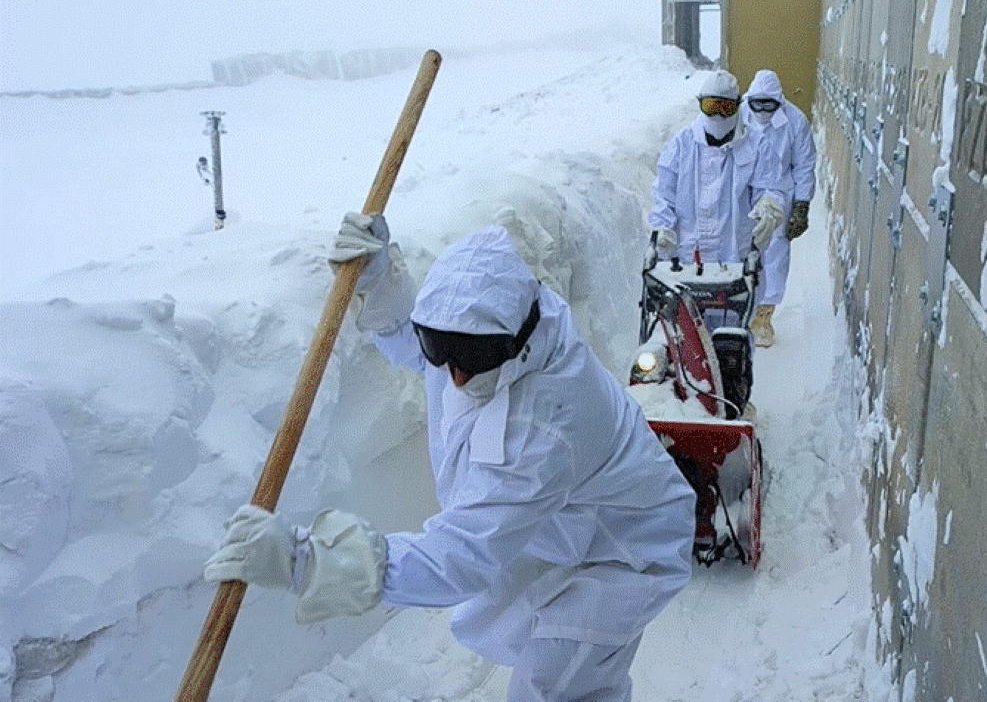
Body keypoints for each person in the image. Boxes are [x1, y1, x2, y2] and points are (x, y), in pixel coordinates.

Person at [205, 216, 696, 701]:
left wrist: (307, 560)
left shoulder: (547, 424)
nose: (455, 377)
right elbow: (432, 351)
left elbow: (461, 557)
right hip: (570, 530)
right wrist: (379, 283)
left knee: (552, 685)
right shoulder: (489, 343)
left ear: (517, 341)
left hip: (625, 553)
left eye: (469, 359)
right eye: (442, 348)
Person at [647, 69, 787, 269]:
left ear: (737, 107)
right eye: (711, 107)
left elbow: (768, 186)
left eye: (726, 108)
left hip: (735, 261)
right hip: (686, 259)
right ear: (701, 105)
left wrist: (769, 207)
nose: (718, 116)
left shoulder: (757, 145)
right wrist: (663, 228)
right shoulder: (681, 145)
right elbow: (664, 194)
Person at [740, 69, 817, 347]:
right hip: (742, 190)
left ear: (779, 101)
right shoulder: (739, 114)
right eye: (757, 104)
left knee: (774, 253)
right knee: (738, 247)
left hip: (778, 193)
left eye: (768, 105)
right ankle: (740, 307)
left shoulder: (795, 122)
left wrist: (802, 204)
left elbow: (804, 165)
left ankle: (763, 315)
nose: (762, 110)